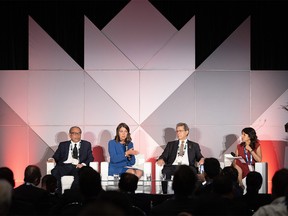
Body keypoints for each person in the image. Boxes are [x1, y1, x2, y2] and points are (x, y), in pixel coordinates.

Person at [156, 122, 204, 194]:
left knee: (193, 172)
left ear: (186, 132)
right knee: (166, 171)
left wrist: (202, 159)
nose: (178, 133)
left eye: (180, 131)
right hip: (173, 166)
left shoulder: (194, 145)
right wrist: (161, 159)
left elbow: (199, 156)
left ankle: (193, 194)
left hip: (188, 167)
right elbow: (164, 155)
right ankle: (165, 194)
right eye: (177, 131)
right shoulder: (171, 144)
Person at [48, 126, 94, 194]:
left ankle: (71, 195)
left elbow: (90, 158)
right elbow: (56, 156)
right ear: (70, 135)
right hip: (64, 166)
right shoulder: (63, 145)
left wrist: (83, 164)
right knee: (55, 171)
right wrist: (51, 159)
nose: (77, 135)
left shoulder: (86, 144)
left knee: (79, 177)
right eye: (75, 133)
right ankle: (58, 194)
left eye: (79, 133)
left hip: (78, 166)